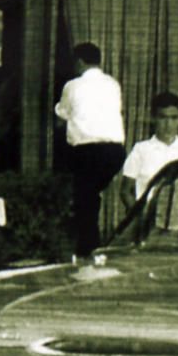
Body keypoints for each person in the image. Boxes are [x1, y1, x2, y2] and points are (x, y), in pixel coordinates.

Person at [54, 42, 126, 257]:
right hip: (115, 152)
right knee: (90, 195)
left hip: (87, 151)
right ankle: (91, 244)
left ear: (79, 62)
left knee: (85, 198)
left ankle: (89, 248)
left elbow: (61, 116)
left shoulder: (73, 86)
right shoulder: (113, 84)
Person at [120, 91, 178, 209]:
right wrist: (141, 218)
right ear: (153, 119)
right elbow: (125, 191)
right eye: (163, 117)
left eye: (174, 118)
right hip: (151, 223)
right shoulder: (140, 150)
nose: (168, 124)